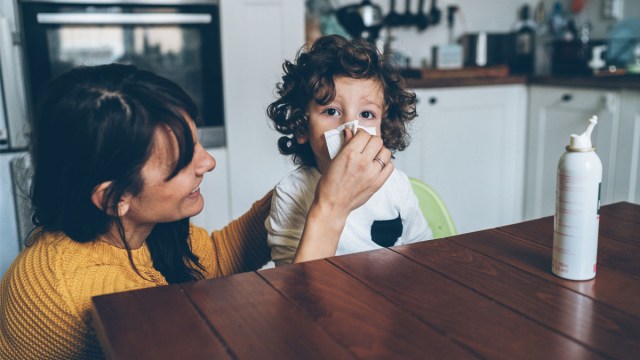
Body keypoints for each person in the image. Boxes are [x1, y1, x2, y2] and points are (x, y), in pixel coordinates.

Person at [0, 63, 392, 359]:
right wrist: (330, 207)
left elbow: (219, 257)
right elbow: (293, 344)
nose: (207, 163)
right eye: (184, 159)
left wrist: (316, 184)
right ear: (113, 198)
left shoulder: (140, 231)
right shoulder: (85, 293)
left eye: (198, 143)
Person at [265, 35, 432, 267]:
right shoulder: (291, 193)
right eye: (331, 111)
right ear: (302, 127)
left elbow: (423, 252)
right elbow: (290, 280)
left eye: (366, 114)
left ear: (383, 129)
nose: (350, 128)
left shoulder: (397, 185)